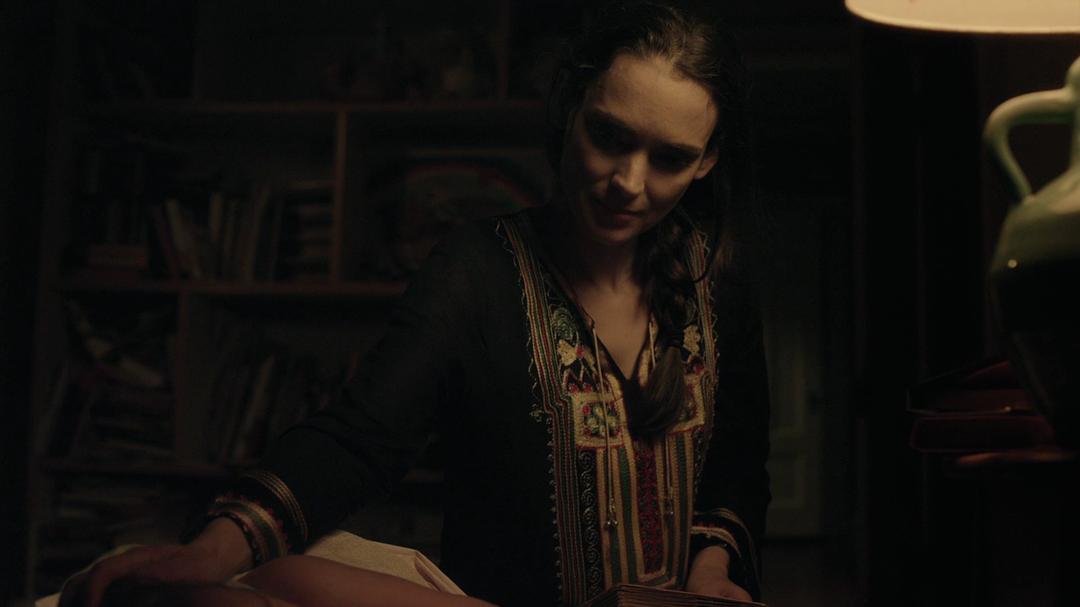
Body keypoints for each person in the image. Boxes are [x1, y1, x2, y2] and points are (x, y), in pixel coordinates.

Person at [61, 2, 770, 605]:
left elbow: (737, 467)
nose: (629, 182)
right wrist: (210, 551)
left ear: (706, 160)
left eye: (670, 158)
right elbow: (360, 437)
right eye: (610, 136)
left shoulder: (717, 282)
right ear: (572, 109)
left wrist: (711, 573)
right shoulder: (479, 267)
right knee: (277, 579)